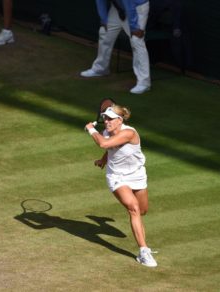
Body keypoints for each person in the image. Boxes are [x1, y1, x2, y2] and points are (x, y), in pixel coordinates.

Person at [85, 104, 157, 267]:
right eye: (104, 117)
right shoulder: (106, 132)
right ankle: (144, 251)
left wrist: (91, 129)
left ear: (119, 120)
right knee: (134, 209)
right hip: (116, 177)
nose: (106, 121)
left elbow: (104, 144)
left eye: (110, 118)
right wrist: (104, 160)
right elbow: (109, 147)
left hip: (137, 175)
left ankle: (141, 242)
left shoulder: (129, 133)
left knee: (142, 210)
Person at [80, 0, 151, 94]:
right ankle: (101, 68)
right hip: (118, 7)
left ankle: (144, 82)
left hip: (137, 7)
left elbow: (129, 3)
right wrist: (103, 19)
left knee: (136, 40)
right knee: (104, 32)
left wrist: (134, 27)